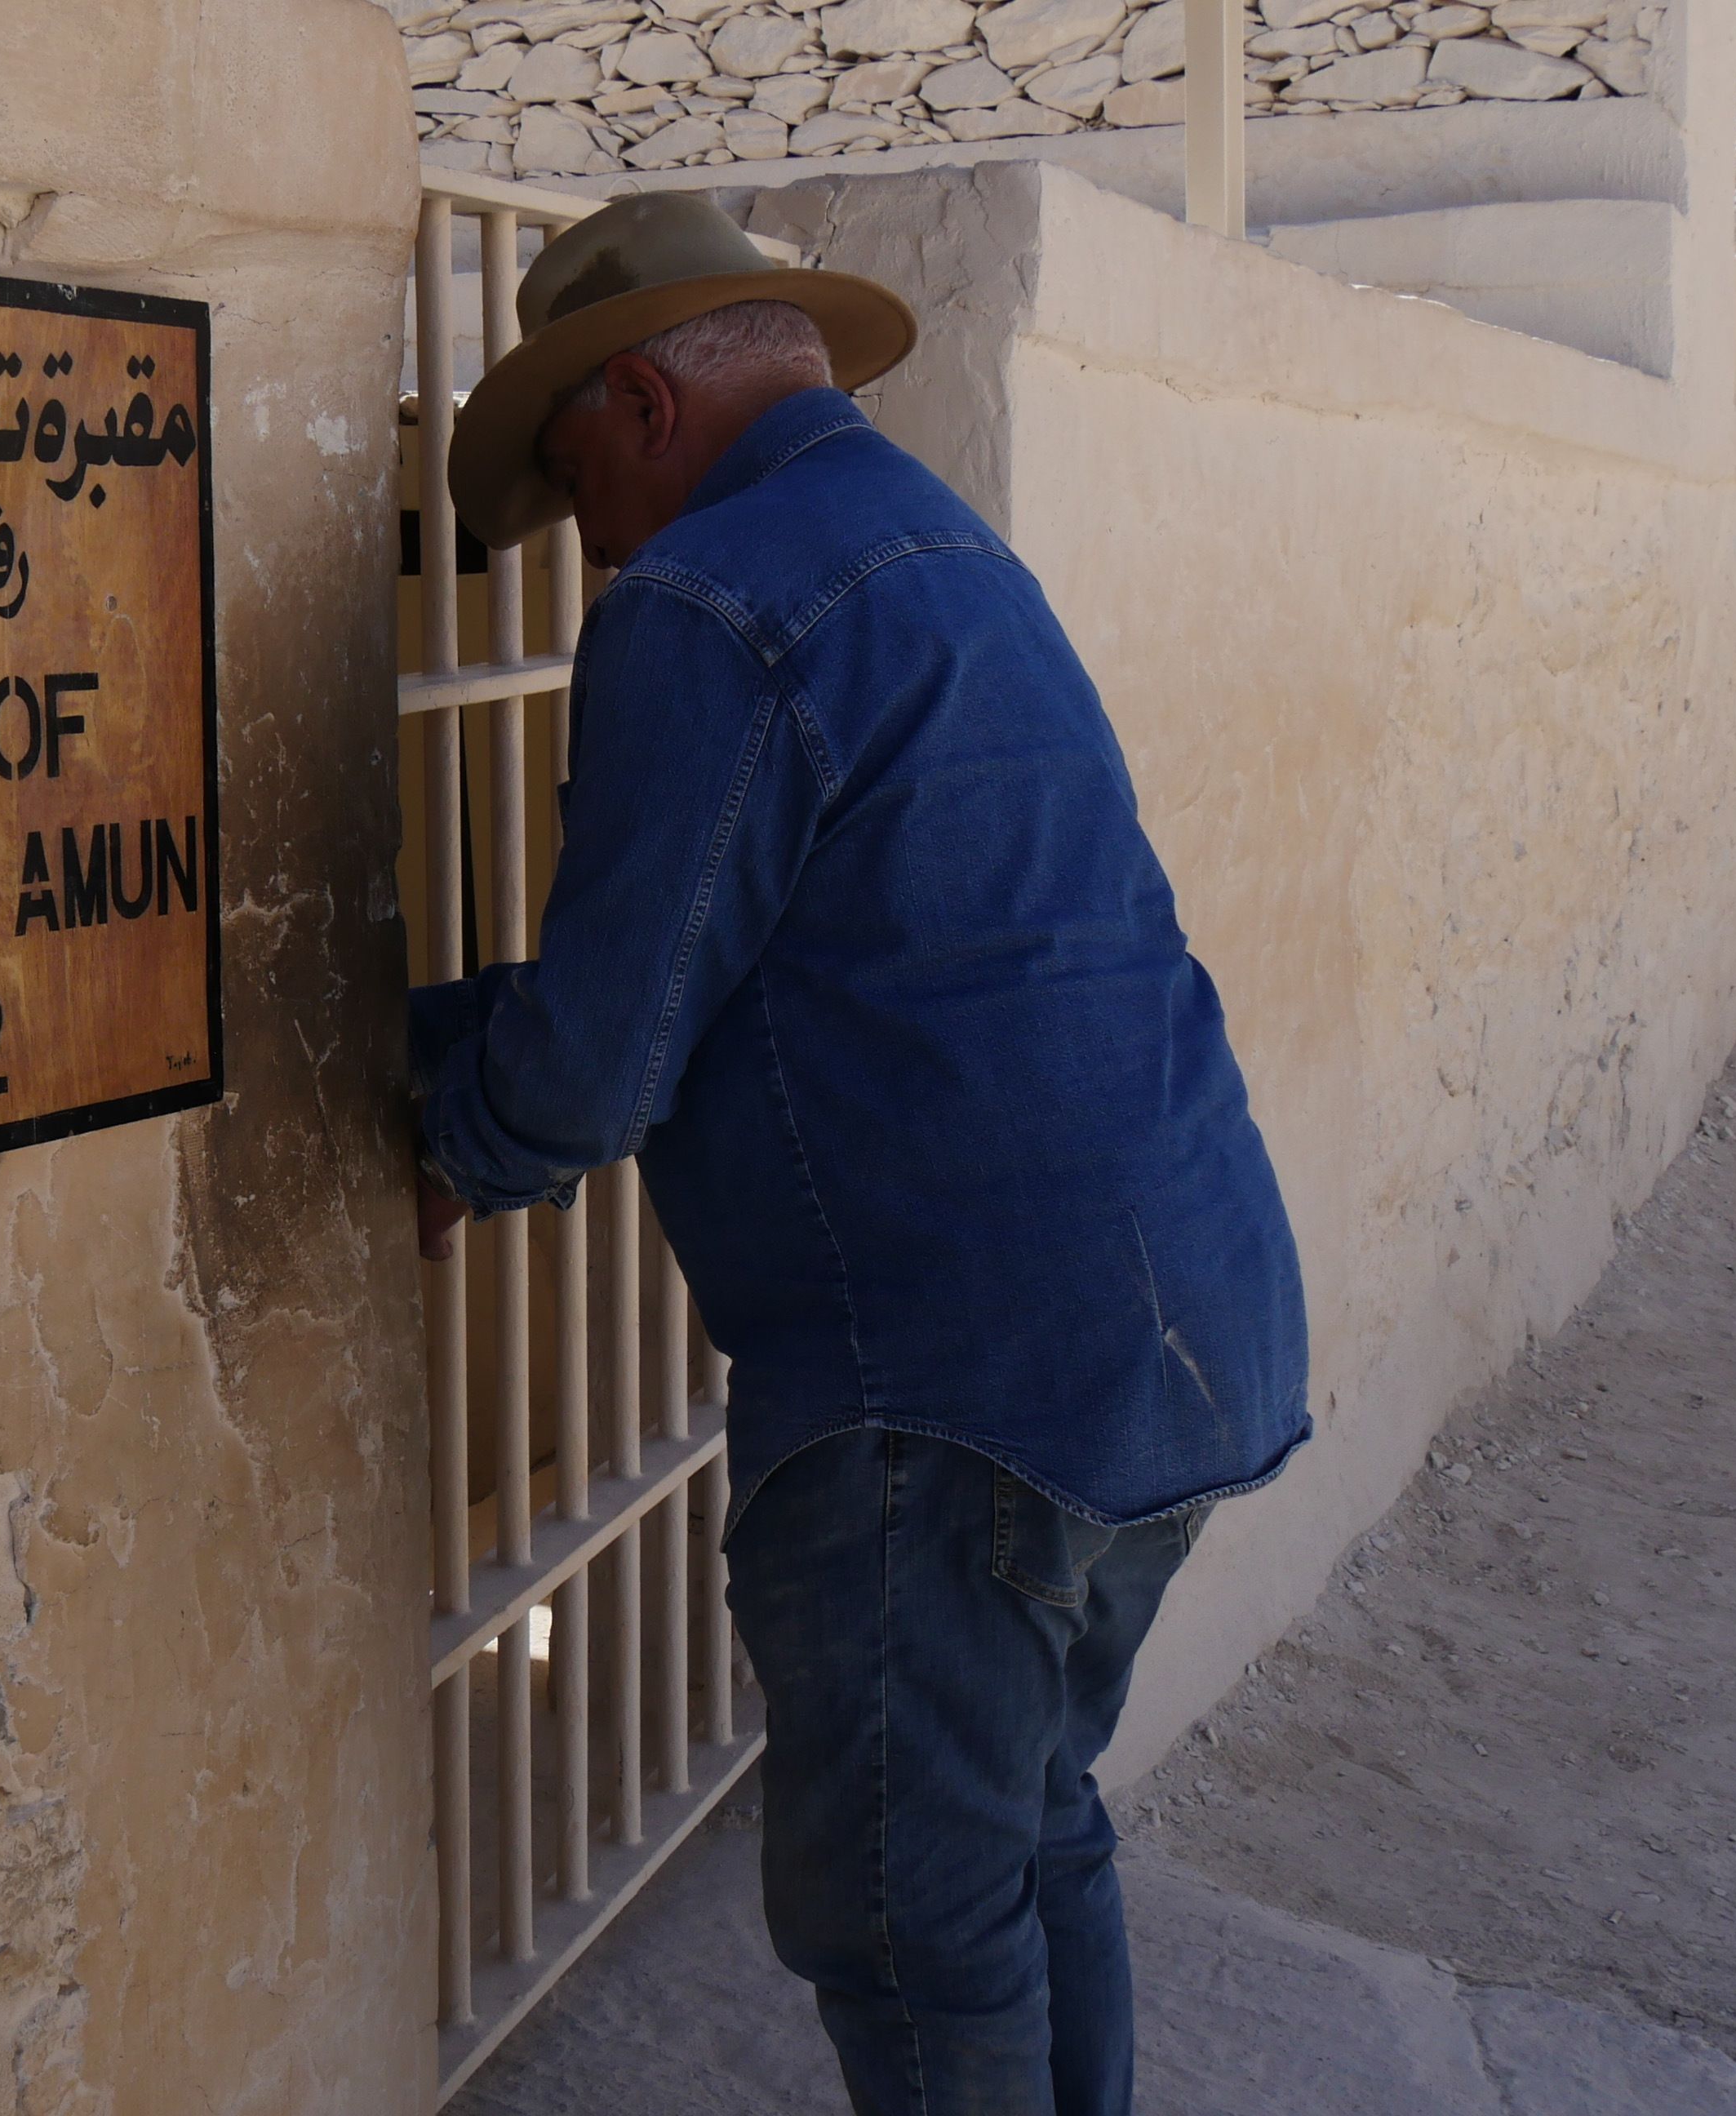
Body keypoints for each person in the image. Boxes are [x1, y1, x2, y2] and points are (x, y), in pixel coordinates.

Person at [407, 190, 1312, 2116]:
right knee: (1026, 1831)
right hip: (1188, 1329)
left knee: (909, 1926)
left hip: (954, 1389)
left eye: (575, 488)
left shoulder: (709, 598)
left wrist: (452, 1133)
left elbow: (595, 1061)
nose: (592, 550)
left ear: (644, 400)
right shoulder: (946, 546)